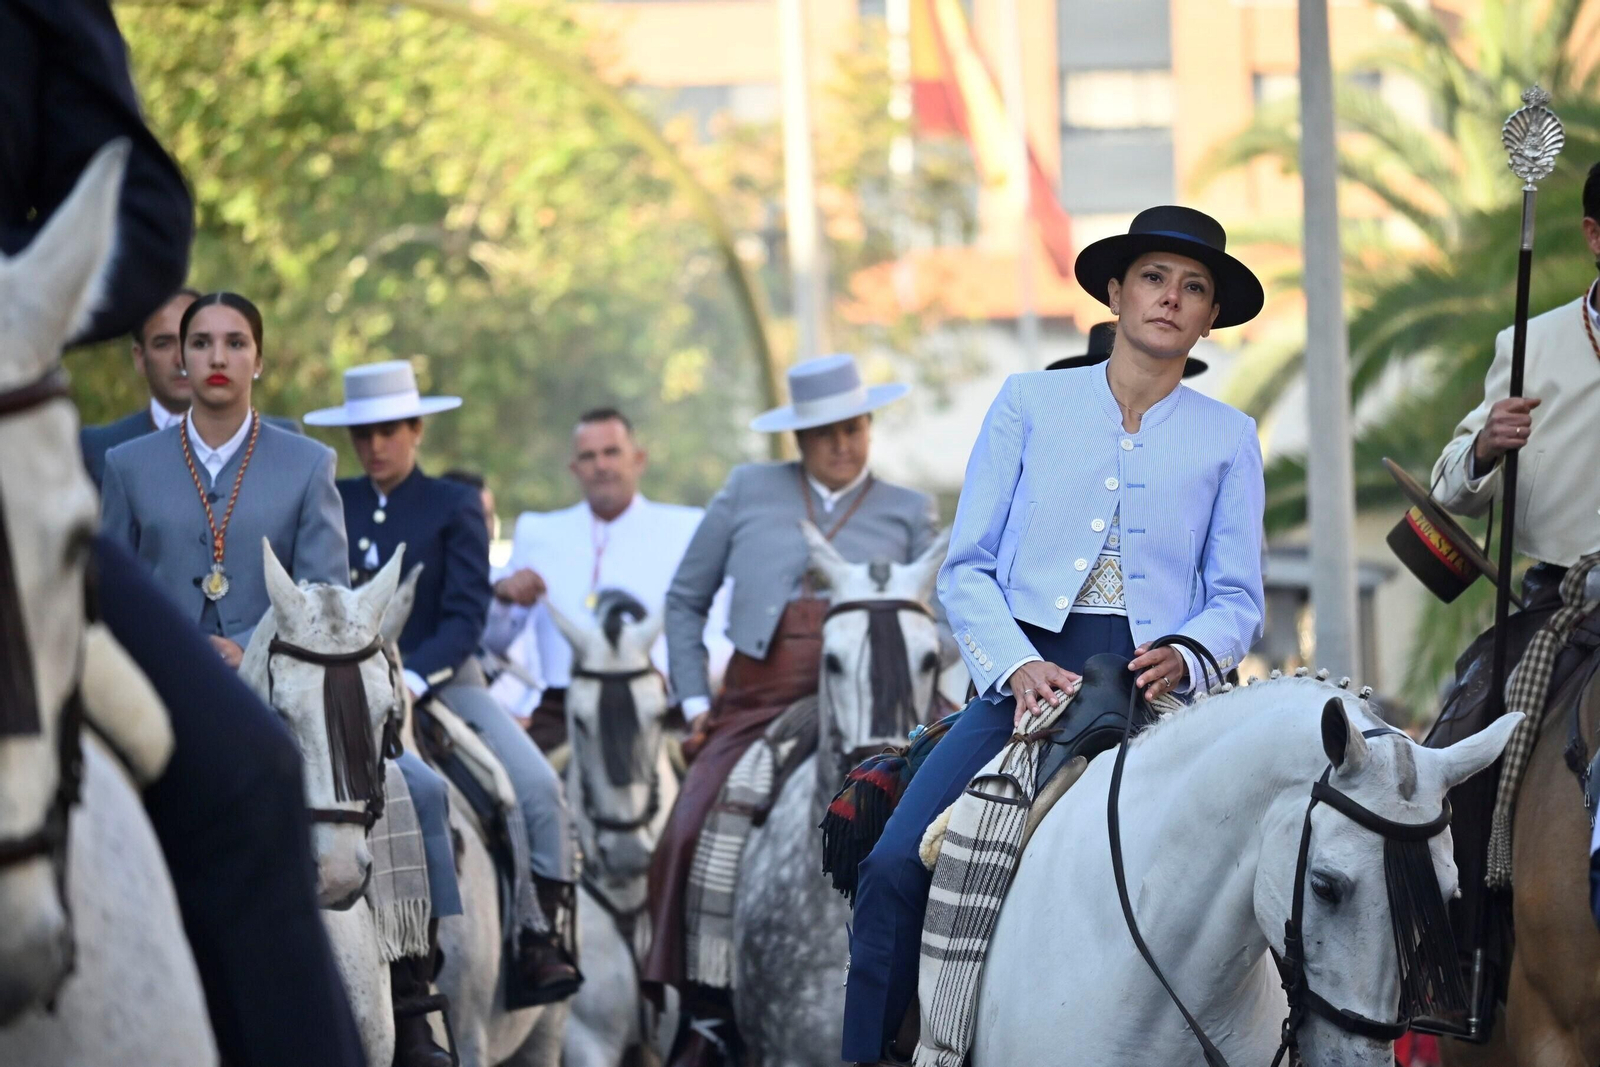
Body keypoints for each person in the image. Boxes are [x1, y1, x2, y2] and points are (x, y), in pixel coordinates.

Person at [840, 206, 1268, 1065]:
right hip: (1027, 682)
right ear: (1114, 292)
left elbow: (1236, 597)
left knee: (1272, 860)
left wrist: (1188, 654)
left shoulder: (1231, 437)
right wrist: (1018, 666)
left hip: (1160, 690)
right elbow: (966, 569)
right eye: (1153, 278)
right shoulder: (1029, 400)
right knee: (891, 866)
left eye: (1193, 289)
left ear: (1209, 317)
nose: (1171, 299)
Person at [99, 295, 461, 1067]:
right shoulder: (126, 467)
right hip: (156, 687)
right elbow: (106, 587)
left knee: (414, 789)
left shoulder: (308, 461)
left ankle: (411, 997)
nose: (217, 356)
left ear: (258, 359)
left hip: (280, 689)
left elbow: (328, 599)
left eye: (235, 342)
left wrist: (244, 645)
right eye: (200, 342)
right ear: (178, 359)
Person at [650, 353, 940, 1064]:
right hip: (763, 697)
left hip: (891, 703)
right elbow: (685, 600)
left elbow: (951, 615)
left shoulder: (909, 510)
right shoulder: (748, 490)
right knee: (691, 822)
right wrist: (694, 700)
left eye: (856, 427)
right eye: (826, 432)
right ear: (799, 440)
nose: (845, 443)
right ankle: (707, 1006)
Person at [305, 360, 583, 1005]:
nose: (374, 447)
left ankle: (537, 938)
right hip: (344, 686)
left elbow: (466, 615)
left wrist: (416, 679)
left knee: (536, 787)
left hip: (443, 679)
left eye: (388, 431)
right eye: (362, 434)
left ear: (416, 428)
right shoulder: (331, 499)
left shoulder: (454, 505)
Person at [483, 407, 732, 751]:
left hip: (657, 711)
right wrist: (504, 599)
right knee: (523, 797)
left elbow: (724, 637)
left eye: (612, 452)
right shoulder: (538, 532)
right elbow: (494, 644)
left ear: (639, 459)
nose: (601, 465)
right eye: (588, 456)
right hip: (563, 716)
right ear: (574, 469)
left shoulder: (686, 528)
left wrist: (665, 675)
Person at [79, 286, 302, 488]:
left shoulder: (287, 442)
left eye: (198, 343)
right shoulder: (99, 449)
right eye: (164, 344)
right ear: (139, 357)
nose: (180, 359)